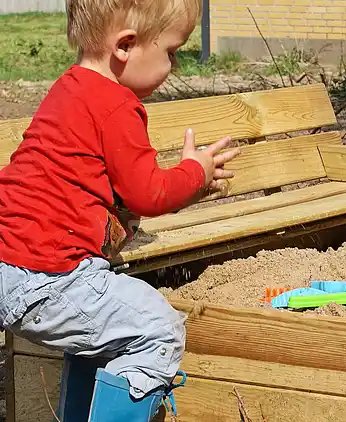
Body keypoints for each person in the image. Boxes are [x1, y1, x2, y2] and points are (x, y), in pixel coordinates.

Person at [0, 0, 240, 420]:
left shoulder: (69, 88)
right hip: (49, 277)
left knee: (108, 334)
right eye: (171, 51)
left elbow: (94, 187)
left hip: (10, 264)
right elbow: (149, 193)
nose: (176, 66)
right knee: (158, 331)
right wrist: (195, 173)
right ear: (126, 46)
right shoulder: (116, 104)